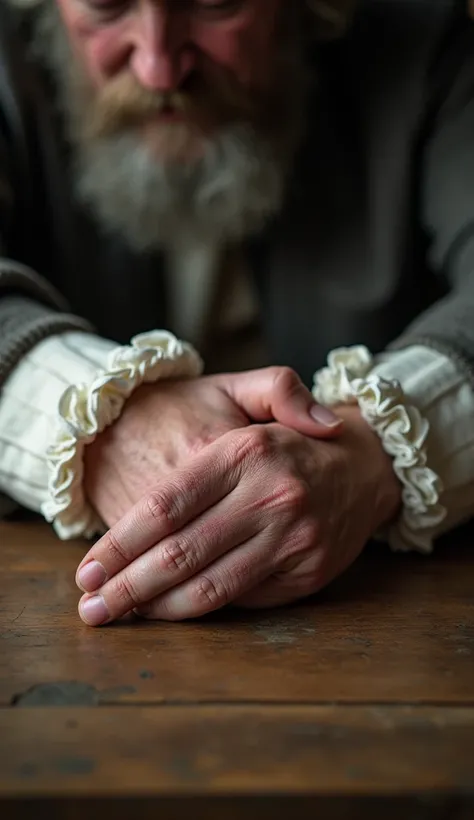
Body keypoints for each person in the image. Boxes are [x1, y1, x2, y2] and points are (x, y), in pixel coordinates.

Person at [1, 0, 474, 627]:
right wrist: (103, 424)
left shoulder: (427, 47)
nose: (159, 69)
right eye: (106, 5)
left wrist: (373, 452)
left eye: (214, 4)